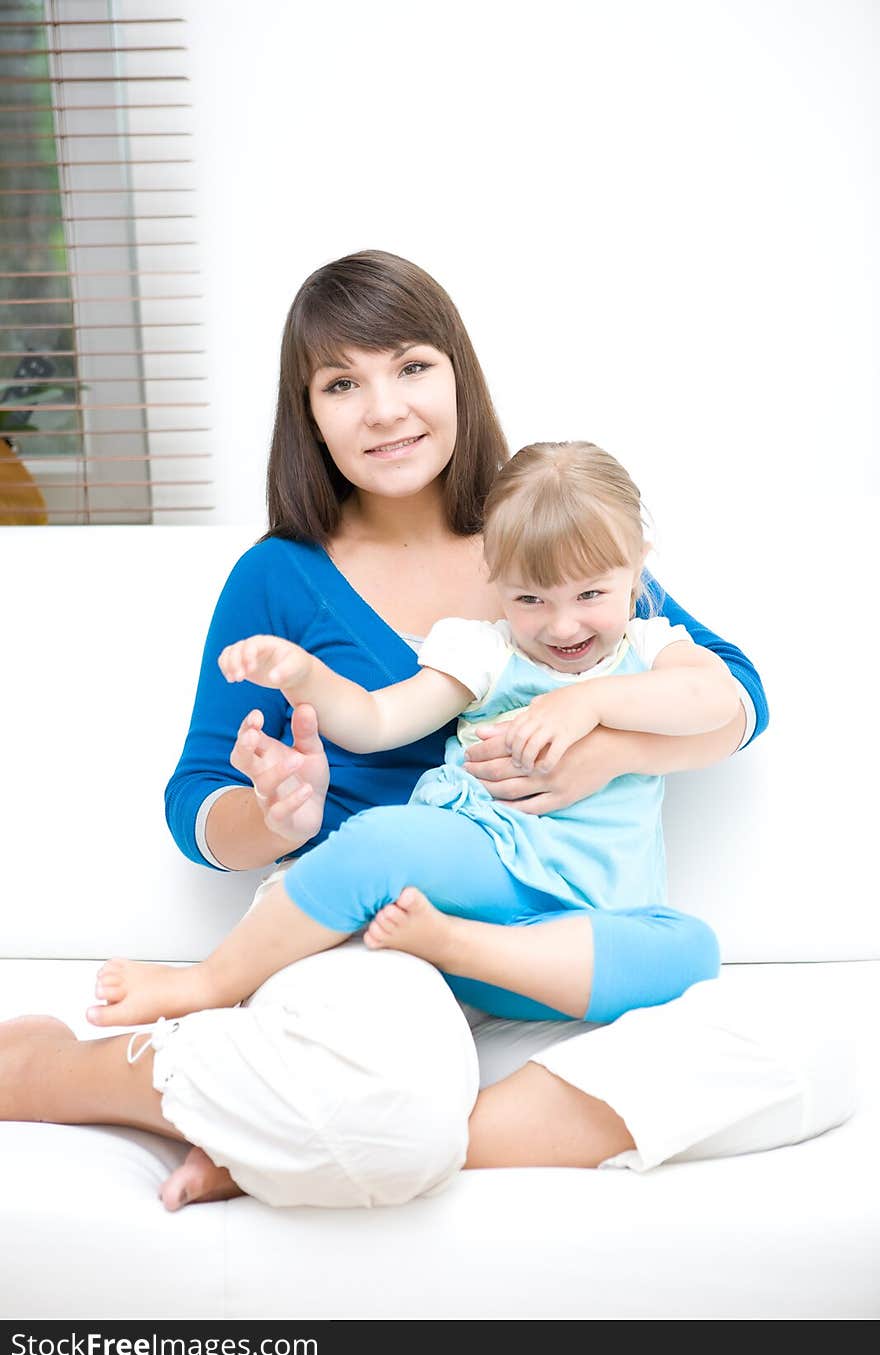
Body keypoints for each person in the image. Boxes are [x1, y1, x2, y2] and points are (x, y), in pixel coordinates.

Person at [0, 250, 852, 1214]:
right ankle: (71, 1073)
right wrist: (279, 817)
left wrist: (602, 743)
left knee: (817, 1054)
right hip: (373, 935)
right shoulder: (280, 576)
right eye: (341, 383)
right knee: (389, 1111)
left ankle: (296, 1133)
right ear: (308, 411)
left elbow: (732, 695)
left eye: (410, 366)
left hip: (545, 940)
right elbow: (196, 798)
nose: (384, 408)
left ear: (457, 374)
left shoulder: (545, 531)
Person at [87, 442, 736, 1031]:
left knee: (692, 951)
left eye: (591, 593)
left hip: (578, 941)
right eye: (530, 599)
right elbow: (377, 720)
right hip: (490, 866)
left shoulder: (653, 645)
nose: (562, 624)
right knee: (379, 841)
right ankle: (206, 982)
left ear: (638, 570)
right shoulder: (487, 650)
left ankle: (451, 943)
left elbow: (716, 699)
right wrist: (308, 677)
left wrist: (590, 702)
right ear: (495, 580)